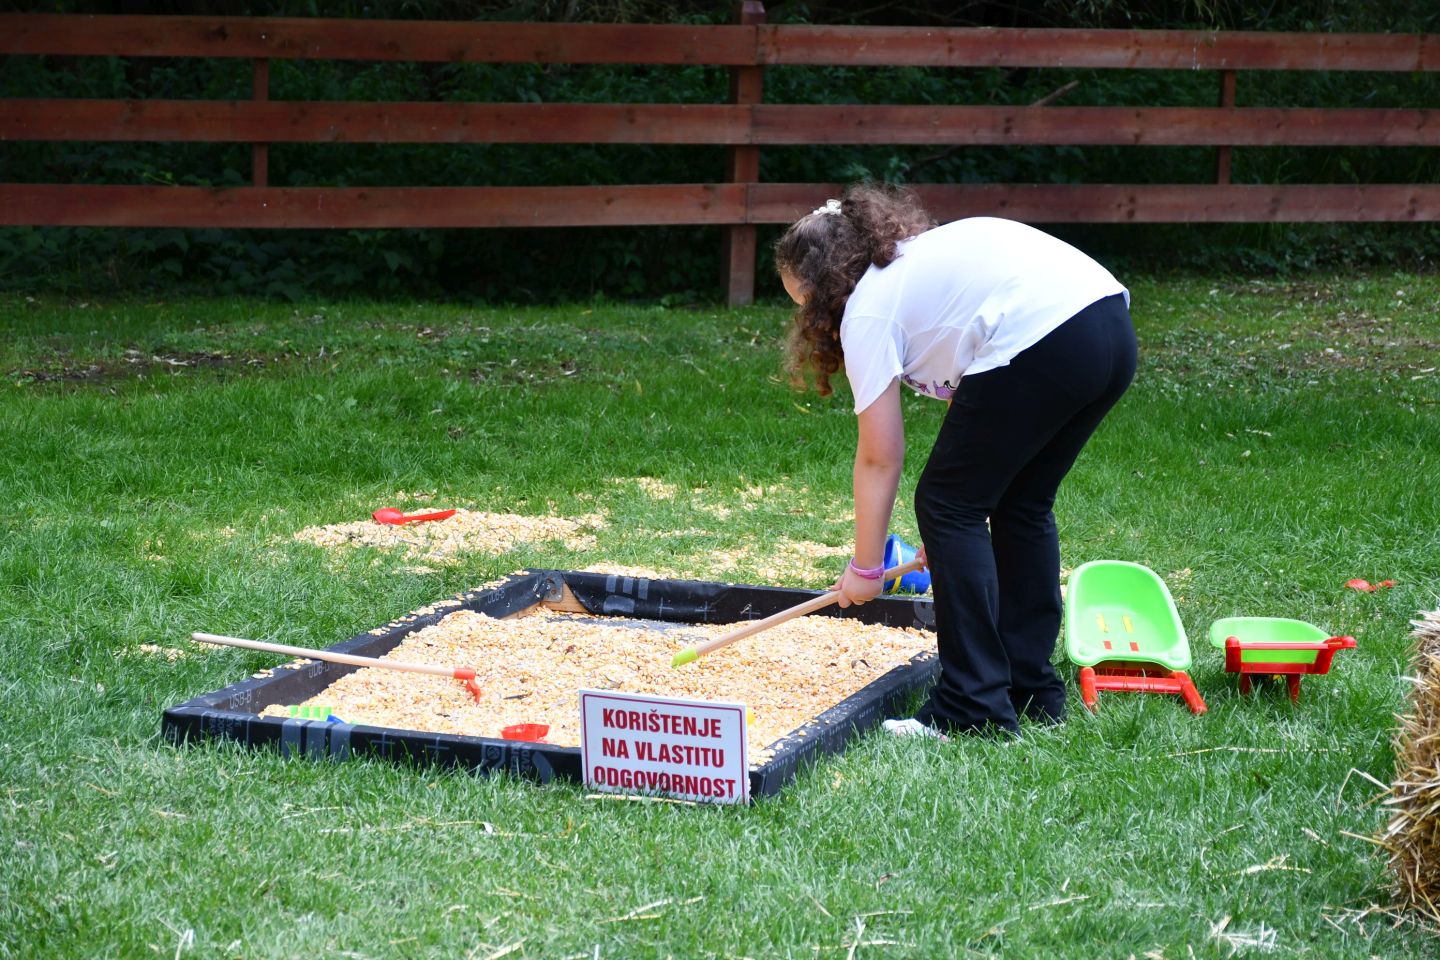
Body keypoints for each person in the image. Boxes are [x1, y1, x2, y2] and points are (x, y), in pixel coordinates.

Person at [774, 183, 1136, 738]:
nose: (813, 322)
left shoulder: (867, 307)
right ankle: (1029, 691)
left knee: (945, 503)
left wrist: (867, 570)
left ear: (823, 290)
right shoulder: (914, 261)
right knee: (1019, 502)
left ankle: (971, 709)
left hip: (1050, 332)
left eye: (807, 307)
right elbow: (985, 414)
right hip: (1106, 325)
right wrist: (955, 530)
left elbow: (879, 455)